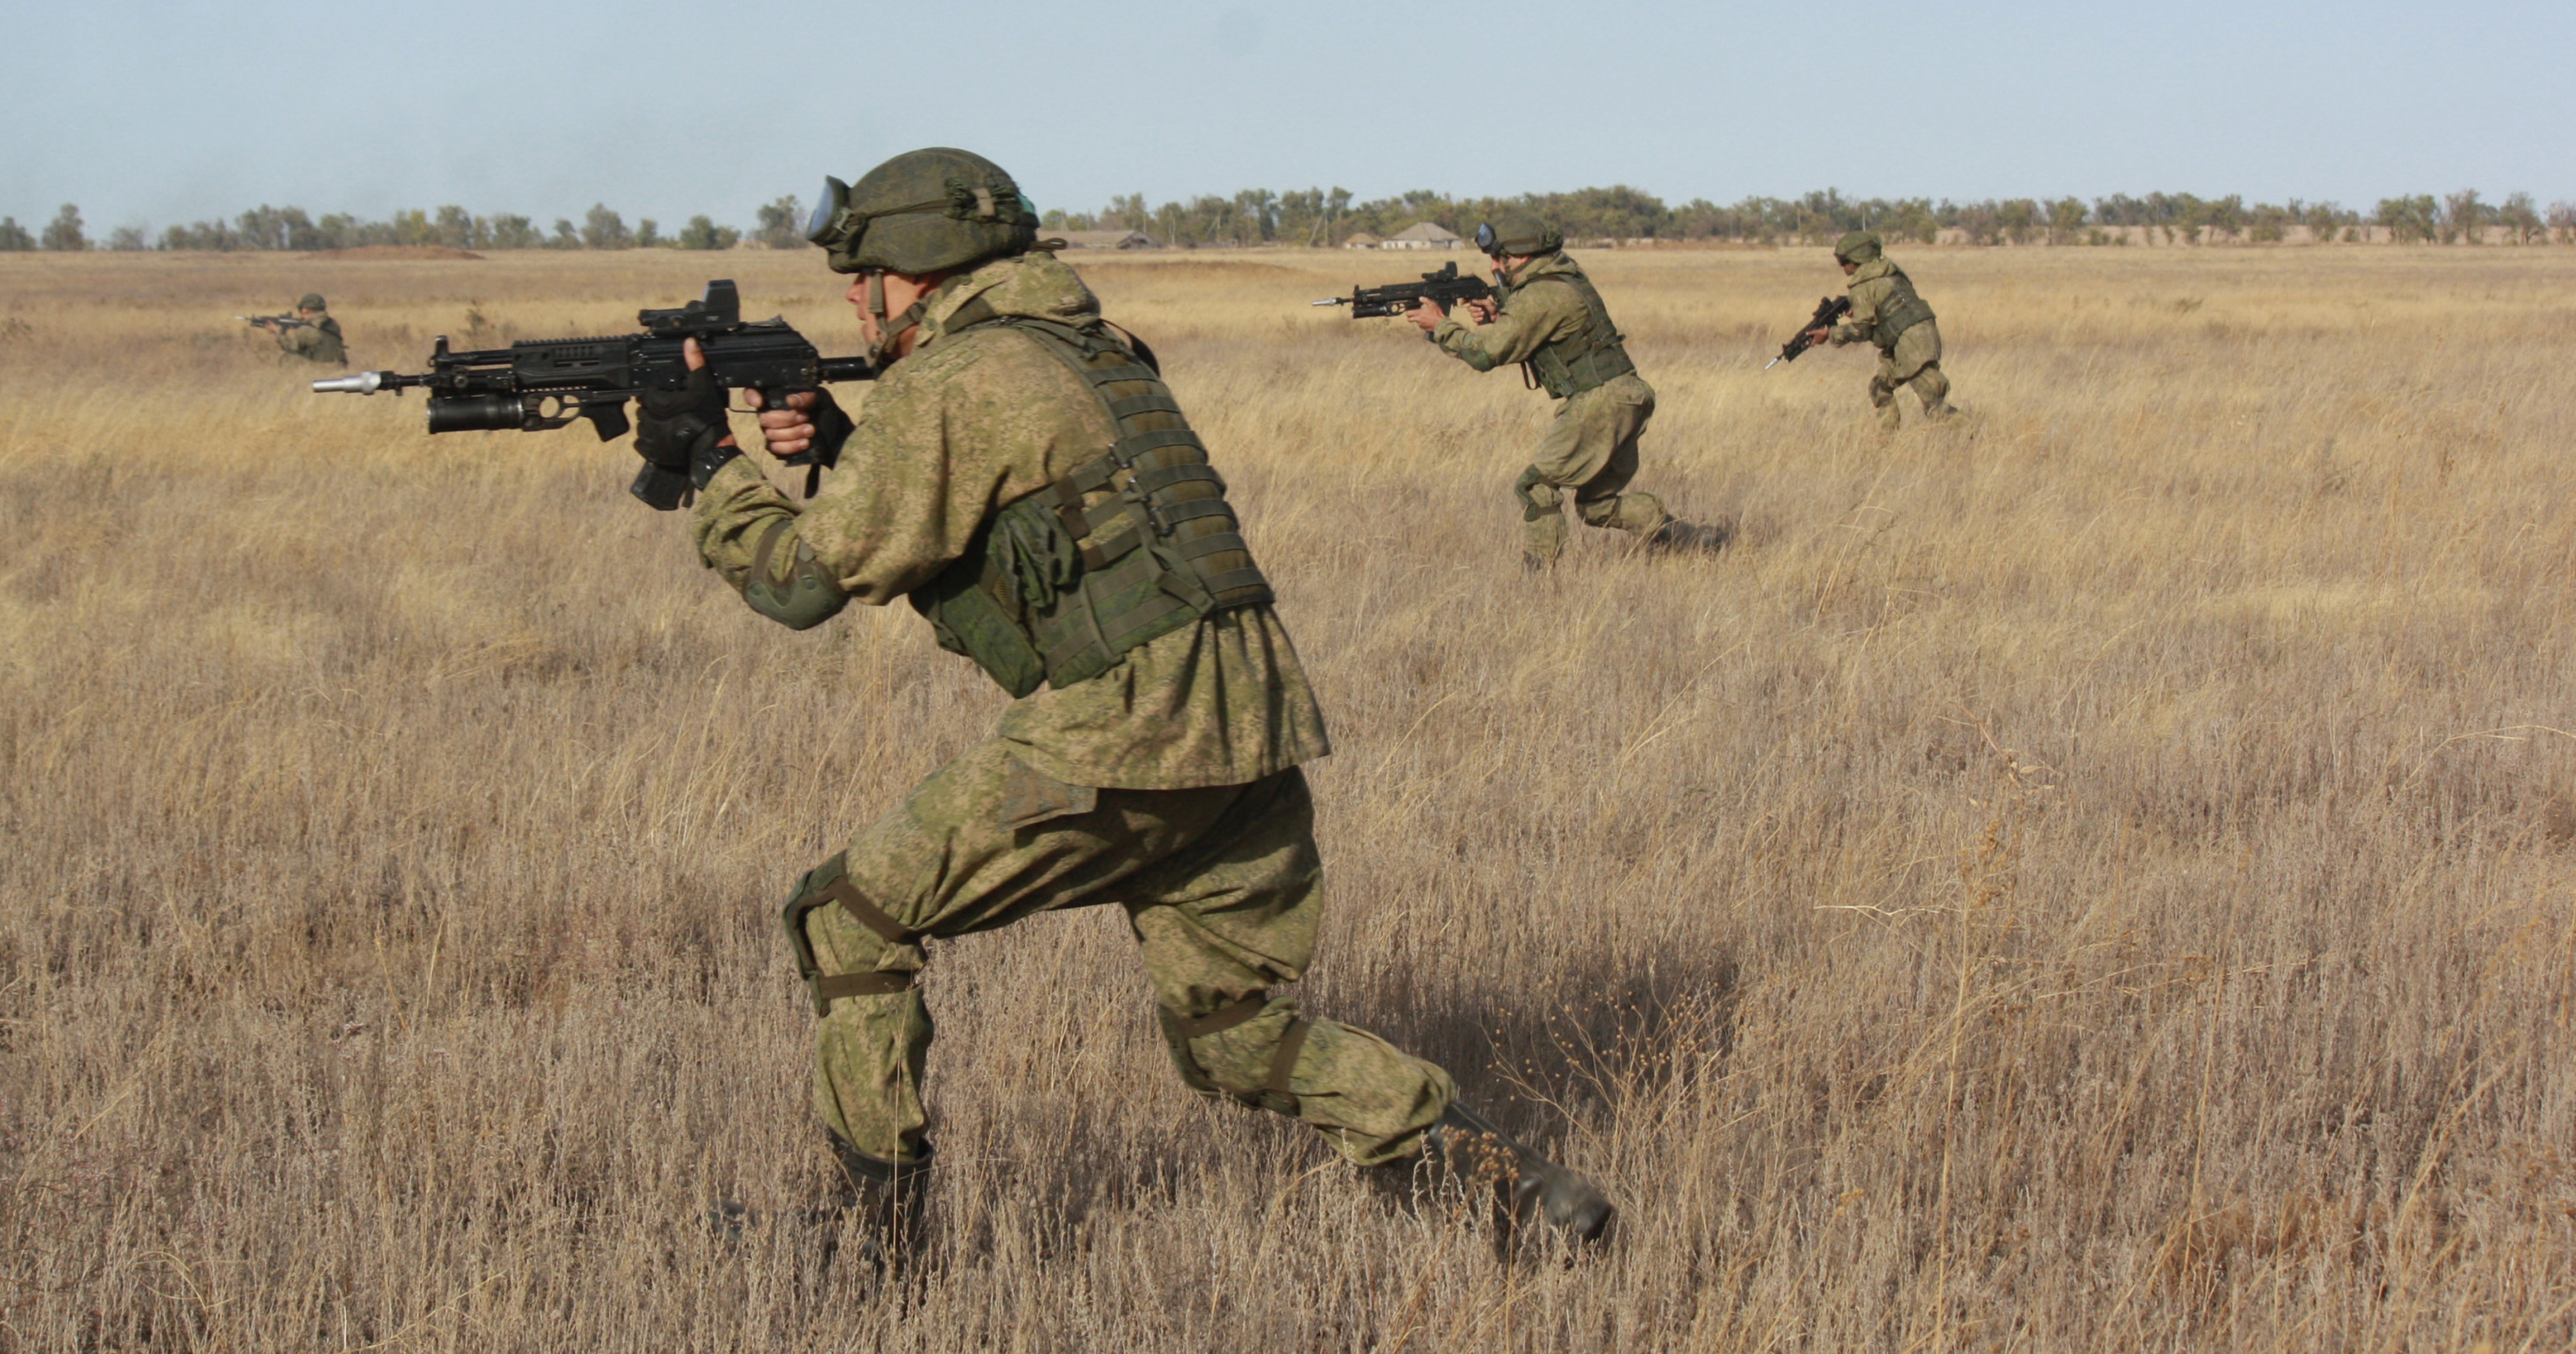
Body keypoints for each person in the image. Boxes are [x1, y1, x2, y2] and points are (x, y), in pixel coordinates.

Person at [631, 148, 1611, 1261]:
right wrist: (848, 449)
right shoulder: (1090, 347)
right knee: (1233, 1035)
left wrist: (710, 466)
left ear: (917, 266)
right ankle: (1510, 1187)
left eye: (865, 278)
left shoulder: (956, 380)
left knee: (845, 917)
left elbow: (799, 585)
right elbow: (1007, 548)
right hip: (1246, 718)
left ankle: (876, 1243)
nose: (854, 302)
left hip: (1131, 726)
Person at [1401, 214, 1725, 567]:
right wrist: (1500, 314)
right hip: (1624, 394)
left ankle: (1539, 582)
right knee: (1596, 505)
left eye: (1500, 258)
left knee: (1535, 485)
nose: (1494, 266)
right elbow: (1535, 332)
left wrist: (1441, 326)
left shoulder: (1542, 294)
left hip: (1601, 399)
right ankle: (1689, 538)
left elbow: (1485, 354)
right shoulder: (1560, 279)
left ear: (1522, 256)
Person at [1802, 233, 1956, 430]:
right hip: (1918, 338)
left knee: (1936, 407)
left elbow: (1861, 331)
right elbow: (1890, 313)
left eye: (1844, 261)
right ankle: (1886, 442)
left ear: (1857, 259)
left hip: (1911, 346)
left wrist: (1830, 334)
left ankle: (1968, 436)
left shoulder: (1864, 285)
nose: (1843, 267)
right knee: (1880, 388)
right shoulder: (1891, 272)